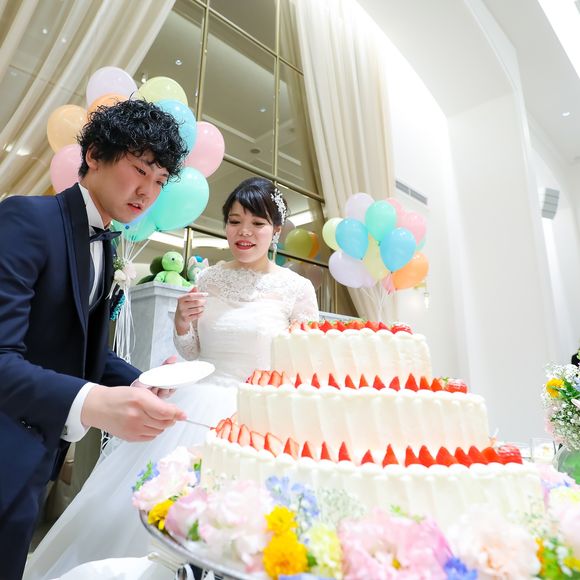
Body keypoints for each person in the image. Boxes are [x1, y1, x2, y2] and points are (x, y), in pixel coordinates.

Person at [24, 177, 319, 579]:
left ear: (276, 231)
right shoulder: (210, 277)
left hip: (257, 413)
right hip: (197, 405)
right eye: (234, 221)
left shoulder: (297, 288)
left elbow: (304, 358)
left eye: (257, 223)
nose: (244, 232)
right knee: (156, 511)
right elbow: (194, 351)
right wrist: (182, 322)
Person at [0, 98, 189, 580]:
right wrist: (93, 403)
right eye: (140, 169)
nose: (147, 191)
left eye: (160, 180)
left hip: (37, 455)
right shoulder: (26, 219)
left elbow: (81, 349)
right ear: (94, 154)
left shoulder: (107, 242)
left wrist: (140, 379)